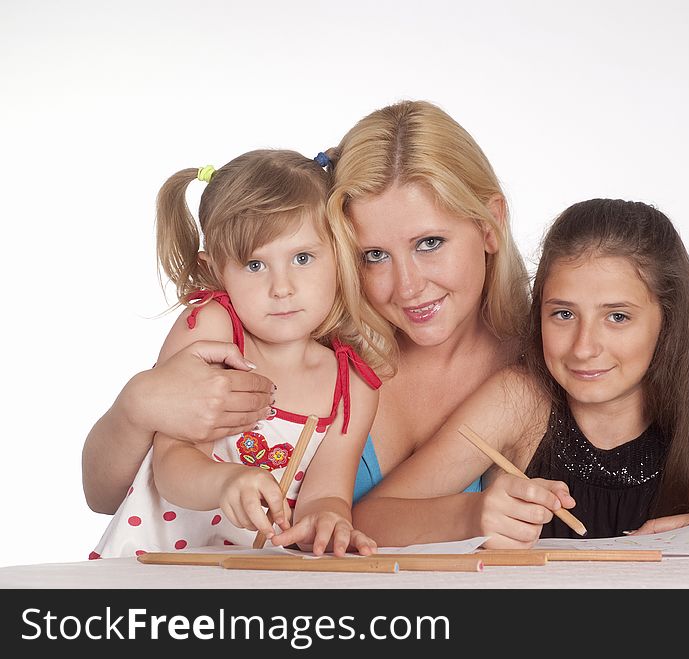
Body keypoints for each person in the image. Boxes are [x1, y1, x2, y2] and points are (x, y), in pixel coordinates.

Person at [82, 101, 532, 526]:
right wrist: (136, 406)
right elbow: (107, 497)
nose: (408, 286)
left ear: (489, 223)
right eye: (373, 254)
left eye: (429, 243)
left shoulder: (544, 365)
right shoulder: (297, 331)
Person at [350, 199, 689, 548]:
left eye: (617, 317)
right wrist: (471, 513)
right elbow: (370, 517)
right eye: (562, 314)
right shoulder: (520, 400)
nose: (584, 347)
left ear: (669, 320)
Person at [90, 150, 386, 559]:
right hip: (154, 567)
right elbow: (171, 463)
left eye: (302, 258)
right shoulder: (211, 330)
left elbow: (328, 493)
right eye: (254, 264)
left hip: (252, 582)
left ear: (340, 255)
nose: (282, 287)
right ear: (214, 270)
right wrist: (224, 481)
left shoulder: (352, 384)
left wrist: (327, 520)